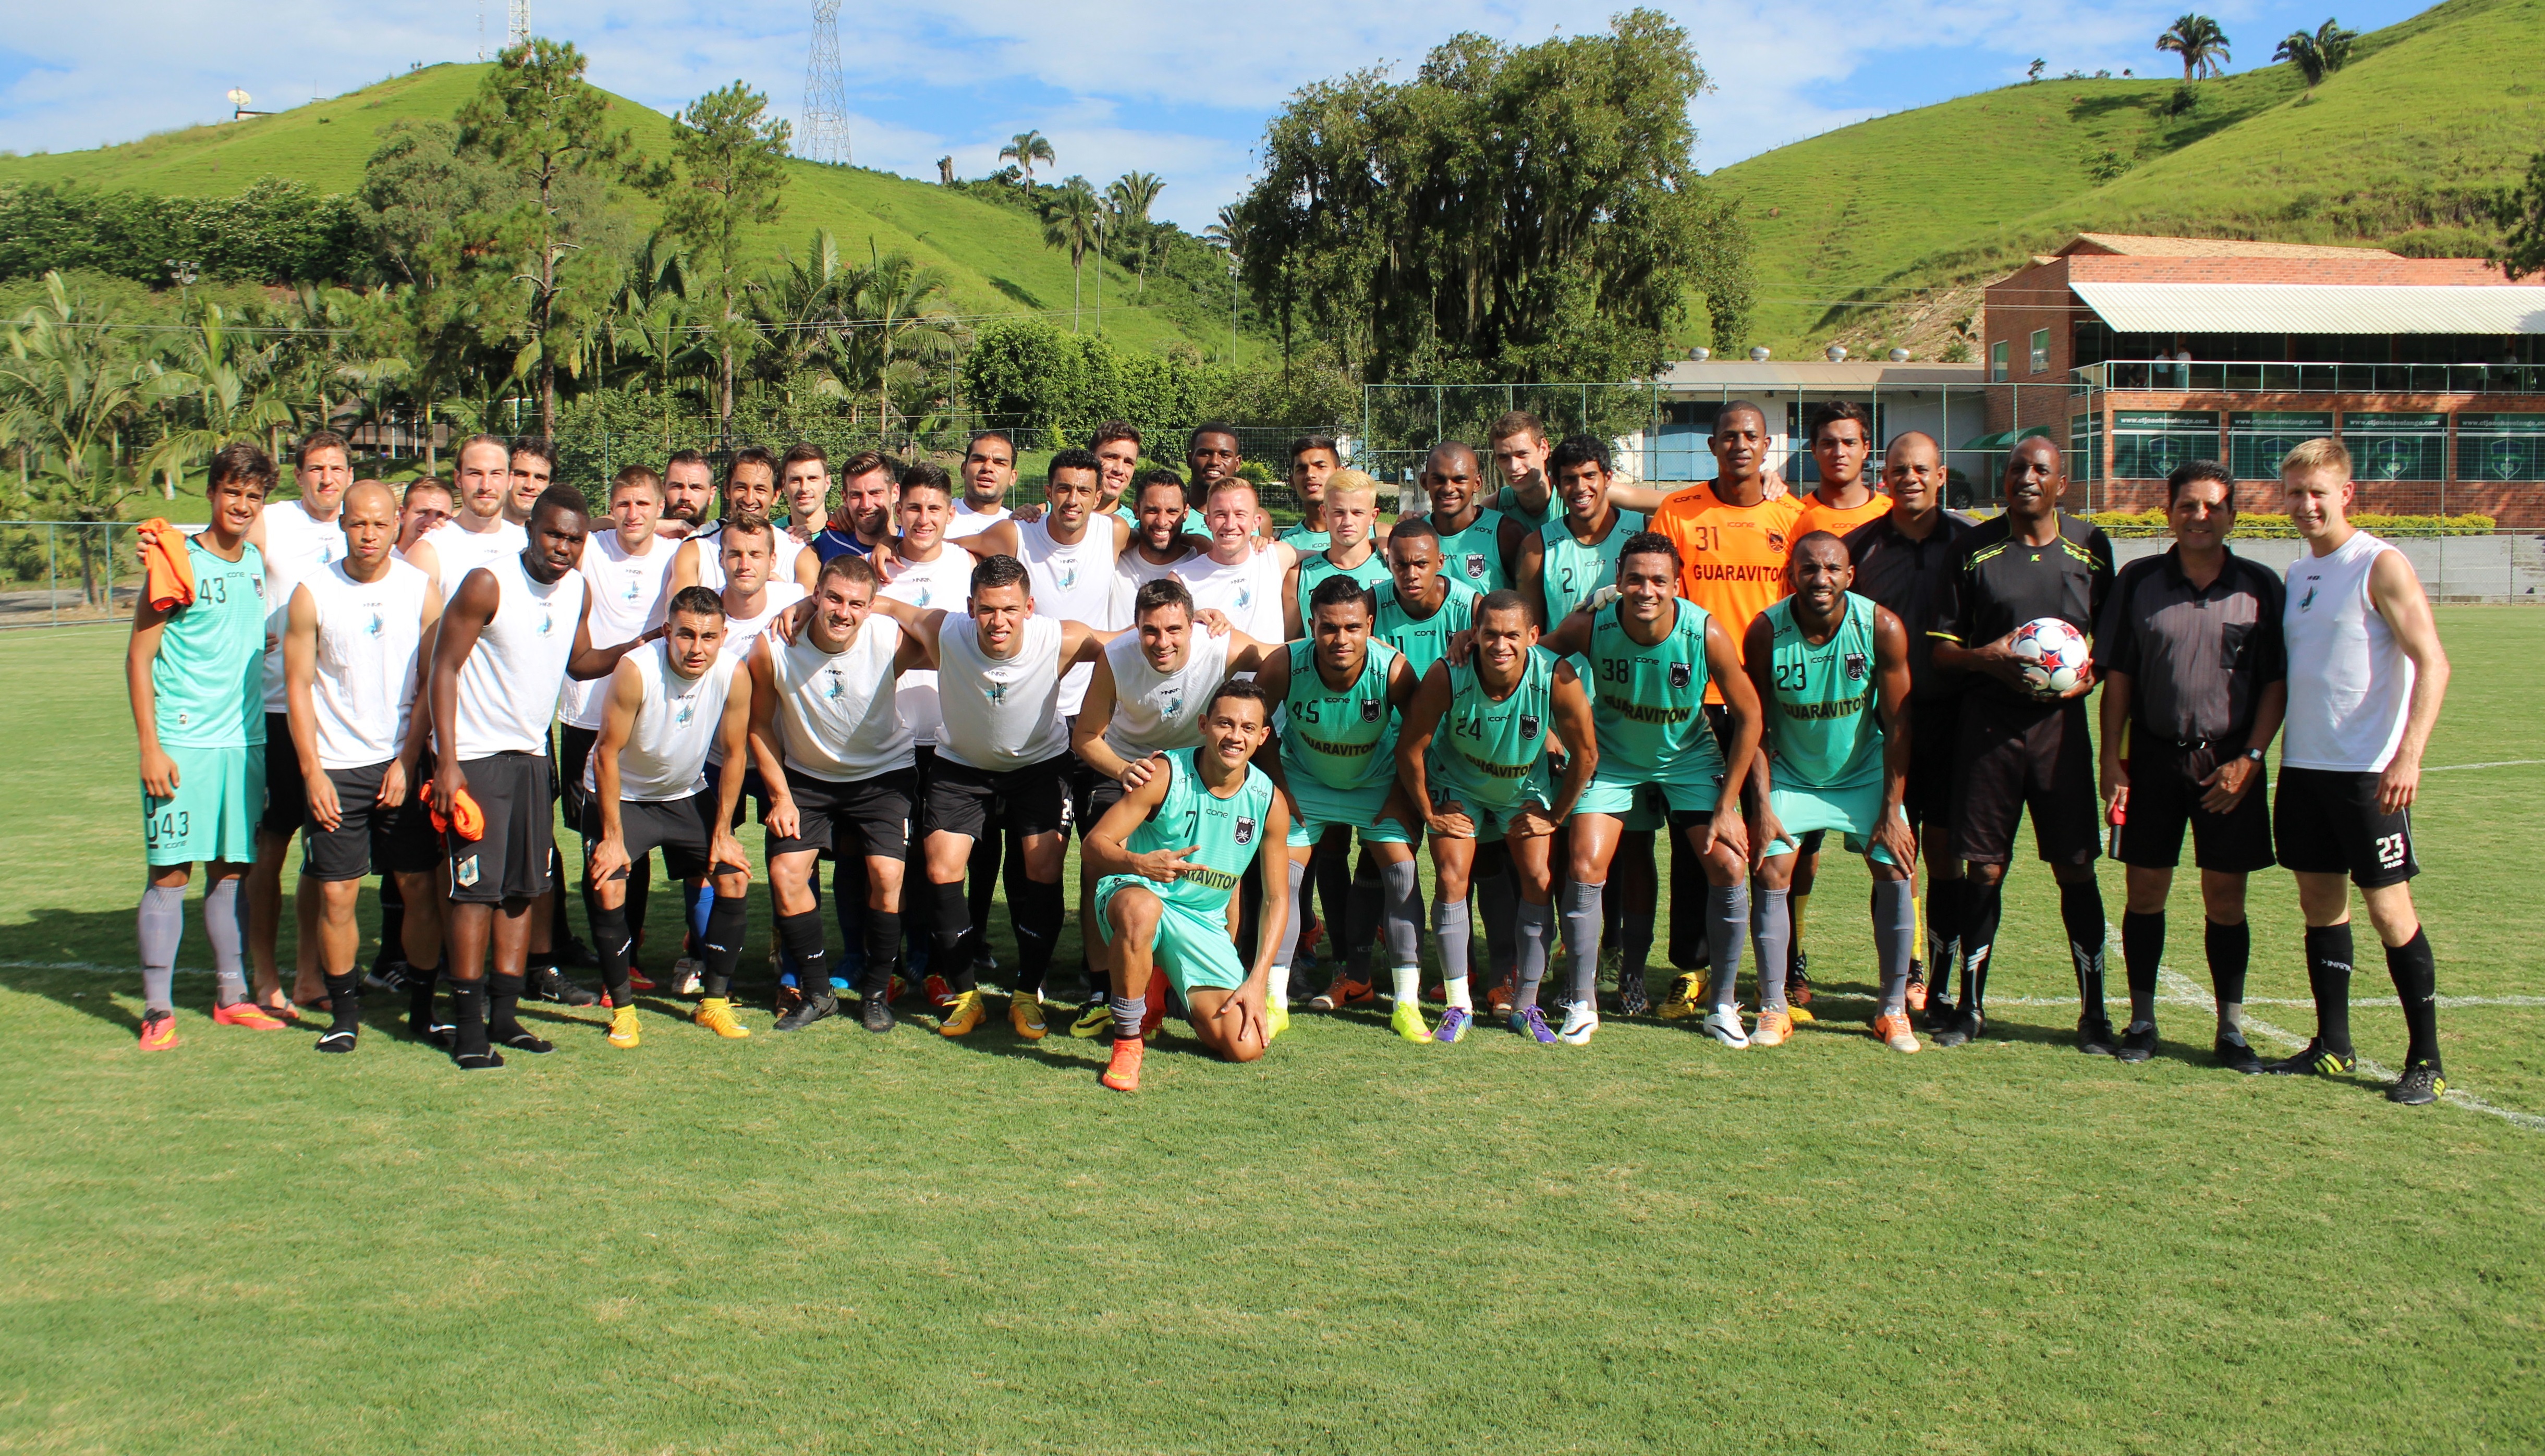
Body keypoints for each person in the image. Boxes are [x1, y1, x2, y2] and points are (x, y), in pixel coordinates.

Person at [427, 485, 657, 1068]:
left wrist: (640, 646)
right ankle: (469, 1025)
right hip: (477, 760)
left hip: (534, 758)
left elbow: (579, 663)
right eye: (553, 534)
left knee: (523, 891)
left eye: (574, 539)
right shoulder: (488, 583)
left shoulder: (577, 588)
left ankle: (505, 1018)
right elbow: (443, 667)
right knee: (476, 895)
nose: (563, 547)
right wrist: (447, 761)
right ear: (530, 530)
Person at [2267, 439, 2453, 1104]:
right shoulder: (2298, 574)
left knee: (2389, 911)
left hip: (2368, 774)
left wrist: (2409, 755)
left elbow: (2433, 662)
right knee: (2320, 906)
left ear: (2346, 493)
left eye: (2318, 492)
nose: (2305, 505)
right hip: (2304, 768)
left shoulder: (2380, 564)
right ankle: (2334, 1046)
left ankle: (2426, 1060)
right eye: (2295, 493)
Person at [869, 554, 1120, 1038]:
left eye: (1009, 609)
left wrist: (1199, 623)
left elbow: (1129, 642)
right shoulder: (946, 630)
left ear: (1029, 607)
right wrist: (803, 607)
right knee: (941, 869)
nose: (997, 621)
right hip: (961, 768)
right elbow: (888, 605)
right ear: (970, 608)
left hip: (1038, 768)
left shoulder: (1060, 638)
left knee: (1043, 868)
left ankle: (1026, 994)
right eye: (986, 609)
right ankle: (967, 996)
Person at [2092, 461, 2286, 1071]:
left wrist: (2251, 759)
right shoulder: (2139, 580)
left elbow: (2276, 683)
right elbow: (2119, 677)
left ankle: (2231, 1030)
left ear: (2232, 516)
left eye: (2213, 506)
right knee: (2145, 891)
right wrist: (2111, 758)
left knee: (2226, 899)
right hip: (2153, 757)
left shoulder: (2260, 585)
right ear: (2169, 511)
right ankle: (2142, 1021)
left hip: (2229, 766)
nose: (2200, 517)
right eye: (2188, 505)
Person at [1535, 533, 1761, 1046]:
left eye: (1659, 580)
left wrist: (1728, 805)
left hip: (1688, 760)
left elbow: (1750, 714)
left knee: (1728, 866)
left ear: (1676, 584)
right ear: (1618, 579)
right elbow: (1532, 660)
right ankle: (1582, 1002)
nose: (1646, 590)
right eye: (1635, 579)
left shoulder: (1705, 631)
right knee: (1584, 865)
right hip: (1612, 759)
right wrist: (1551, 731)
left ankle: (1723, 1005)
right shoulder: (1591, 624)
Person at [1929, 437, 2115, 1051]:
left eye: (2040, 470)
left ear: (2062, 482)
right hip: (1988, 733)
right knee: (1984, 867)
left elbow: (2109, 644)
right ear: (2003, 479)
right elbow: (1942, 651)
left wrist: (2088, 676)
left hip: (2061, 735)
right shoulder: (1972, 548)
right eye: (2016, 469)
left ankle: (2094, 1014)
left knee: (2075, 865)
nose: (2027, 478)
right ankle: (1969, 1007)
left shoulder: (2091, 547)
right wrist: (1987, 659)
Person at [1070, 578, 1275, 1033]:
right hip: (1131, 768)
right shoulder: (1116, 657)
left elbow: (1281, 656)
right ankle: (1101, 988)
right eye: (1150, 630)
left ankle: (1192, 970)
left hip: (1202, 767)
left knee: (1216, 867)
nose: (1162, 642)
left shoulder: (1219, 644)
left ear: (1191, 626)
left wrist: (1371, 644)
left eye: (1173, 630)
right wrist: (1124, 769)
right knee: (1099, 861)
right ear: (1135, 628)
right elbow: (1084, 737)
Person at [129, 445, 283, 1049]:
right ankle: (157, 1008)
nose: (242, 504)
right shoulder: (175, 559)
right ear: (212, 493)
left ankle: (232, 997)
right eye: (232, 491)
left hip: (244, 743)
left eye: (253, 495)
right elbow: (139, 658)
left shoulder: (256, 563)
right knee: (170, 872)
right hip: (182, 743)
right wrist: (151, 747)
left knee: (231, 871)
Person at [281, 480, 443, 1054]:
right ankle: (344, 1016)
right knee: (337, 895)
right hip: (336, 771)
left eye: (379, 523)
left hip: (402, 764)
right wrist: (312, 772)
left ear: (397, 523)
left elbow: (433, 683)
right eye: (357, 523)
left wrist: (407, 759)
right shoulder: (312, 593)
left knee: (419, 888)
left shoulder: (421, 590)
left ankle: (423, 1013)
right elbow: (297, 688)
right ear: (342, 525)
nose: (368, 534)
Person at [1743, 531, 1921, 1053]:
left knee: (1895, 865)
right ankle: (1774, 1007)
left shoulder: (1881, 627)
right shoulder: (1765, 632)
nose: (1820, 579)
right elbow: (1755, 725)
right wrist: (1762, 806)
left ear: (1850, 575)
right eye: (1809, 569)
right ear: (1791, 576)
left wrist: (1891, 810)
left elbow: (1899, 725)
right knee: (1771, 869)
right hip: (1792, 774)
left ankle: (1892, 1010)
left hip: (1862, 772)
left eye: (1831, 569)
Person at [1649, 400, 1803, 1000]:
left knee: (1776, 838)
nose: (1740, 445)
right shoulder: (1679, 511)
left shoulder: (1792, 516)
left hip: (1769, 705)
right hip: (1694, 702)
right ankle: (1692, 969)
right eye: (1729, 436)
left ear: (1767, 447)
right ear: (1712, 446)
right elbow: (1662, 602)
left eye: (1751, 436)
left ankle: (1778, 973)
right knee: (1697, 841)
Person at [973, 450, 1136, 1011]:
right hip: (1035, 716)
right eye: (1063, 488)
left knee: (1101, 846)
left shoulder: (1115, 532)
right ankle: (1031, 970)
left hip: (1096, 719)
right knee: (1034, 850)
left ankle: (1100, 971)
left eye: (1083, 490)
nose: (1072, 500)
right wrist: (883, 546)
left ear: (1100, 495)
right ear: (1047, 491)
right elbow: (950, 546)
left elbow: (1176, 543)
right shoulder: (1015, 534)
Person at [1396, 591, 1596, 1043]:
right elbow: (1410, 747)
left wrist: (1555, 816)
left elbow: (1586, 755)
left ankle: (1526, 1004)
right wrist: (1429, 811)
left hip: (1521, 787)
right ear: (1475, 635)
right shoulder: (1449, 673)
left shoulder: (1557, 676)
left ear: (1533, 636)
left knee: (1538, 878)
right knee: (1451, 876)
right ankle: (1458, 1005)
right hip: (1458, 784)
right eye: (1489, 634)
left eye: (1511, 635)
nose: (1500, 645)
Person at [752, 556, 933, 1034]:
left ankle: (875, 992)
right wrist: (781, 797)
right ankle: (818, 993)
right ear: (815, 595)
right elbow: (758, 726)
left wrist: (888, 606)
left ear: (871, 607)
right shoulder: (774, 645)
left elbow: (951, 640)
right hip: (807, 779)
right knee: (786, 873)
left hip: (883, 776)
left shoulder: (888, 638)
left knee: (887, 875)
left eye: (857, 603)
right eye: (833, 598)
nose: (843, 612)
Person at [1082, 681, 1293, 1092]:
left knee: (1245, 1045)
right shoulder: (1164, 774)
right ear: (1203, 724)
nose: (1235, 736)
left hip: (1201, 920)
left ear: (1263, 736)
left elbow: (1276, 898)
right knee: (1142, 910)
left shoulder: (1269, 801)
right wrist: (1140, 863)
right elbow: (1094, 845)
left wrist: (1257, 981)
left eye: (1248, 728)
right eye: (1225, 723)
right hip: (1136, 892)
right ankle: (1128, 1040)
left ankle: (1161, 990)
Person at [1251, 574, 1430, 1042]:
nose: (1340, 638)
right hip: (1305, 781)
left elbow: (1418, 734)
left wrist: (1399, 795)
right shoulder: (1284, 663)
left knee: (1401, 873)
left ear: (1369, 625)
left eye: (1352, 627)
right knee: (1283, 879)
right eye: (1328, 627)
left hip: (1374, 782)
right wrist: (1282, 790)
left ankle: (1407, 1004)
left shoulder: (1393, 670)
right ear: (1311, 625)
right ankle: (1273, 1000)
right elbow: (1256, 726)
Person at [1516, 435, 1656, 1013]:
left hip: (1630, 720)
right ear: (1556, 481)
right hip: (1563, 718)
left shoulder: (1642, 536)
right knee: (1564, 849)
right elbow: (1529, 641)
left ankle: (1631, 968)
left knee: (1636, 848)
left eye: (1590, 476)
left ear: (1608, 478)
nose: (1580, 488)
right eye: (1569, 478)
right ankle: (1567, 966)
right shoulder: (1538, 545)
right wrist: (1545, 724)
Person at [582, 585, 756, 1047]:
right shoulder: (636, 669)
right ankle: (622, 1011)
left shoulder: (733, 673)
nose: (697, 648)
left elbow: (735, 754)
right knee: (609, 882)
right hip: (622, 793)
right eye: (685, 635)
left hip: (683, 792)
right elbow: (606, 753)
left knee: (733, 876)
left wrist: (723, 832)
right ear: (666, 631)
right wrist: (613, 837)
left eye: (708, 637)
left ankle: (713, 1003)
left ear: (723, 637)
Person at [1842, 432, 1975, 1020]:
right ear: (1885, 477)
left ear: (1940, 475)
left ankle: (1942, 982)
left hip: (1955, 722)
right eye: (1899, 470)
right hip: (1881, 727)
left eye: (1922, 469)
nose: (1910, 479)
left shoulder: (1972, 542)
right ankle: (1901, 978)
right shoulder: (1860, 548)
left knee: (1945, 856)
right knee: (1890, 854)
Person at [1776, 400, 1894, 999]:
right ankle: (1793, 961)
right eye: (1827, 442)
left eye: (1849, 442)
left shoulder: (1891, 512)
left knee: (1894, 844)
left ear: (1866, 448)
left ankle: (1907, 969)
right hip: (1812, 698)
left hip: (1877, 698)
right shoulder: (1799, 516)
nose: (1839, 452)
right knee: (1803, 852)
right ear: (1814, 450)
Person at [244, 429, 351, 1017]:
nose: (326, 478)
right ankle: (264, 974)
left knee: (322, 849)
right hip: (275, 709)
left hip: (335, 719)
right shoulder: (274, 521)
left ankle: (310, 974)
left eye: (336, 468)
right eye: (315, 468)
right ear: (298, 475)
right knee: (271, 844)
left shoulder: (361, 525)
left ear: (349, 476)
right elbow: (217, 556)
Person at [557, 466, 678, 962]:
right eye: (623, 503)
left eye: (643, 504)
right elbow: (563, 524)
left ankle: (632, 945)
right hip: (584, 715)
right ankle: (609, 949)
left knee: (635, 839)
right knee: (595, 837)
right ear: (610, 506)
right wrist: (604, 521)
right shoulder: (589, 547)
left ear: (660, 508)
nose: (633, 514)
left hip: (644, 719)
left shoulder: (675, 555)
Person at [671, 446, 819, 594]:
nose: (749, 499)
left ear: (776, 495)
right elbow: (679, 607)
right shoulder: (696, 549)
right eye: (741, 488)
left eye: (760, 489)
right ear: (727, 490)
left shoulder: (799, 554)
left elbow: (811, 605)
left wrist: (782, 594)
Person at [404, 435, 527, 609]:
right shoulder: (429, 551)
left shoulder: (528, 543)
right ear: (458, 478)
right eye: (475, 473)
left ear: (510, 480)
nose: (486, 486)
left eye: (496, 474)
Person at [1176, 479, 1290, 646]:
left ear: (1256, 522)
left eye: (1240, 514)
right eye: (1221, 514)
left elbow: (1330, 553)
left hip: (1272, 664)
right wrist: (1189, 620)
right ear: (1209, 522)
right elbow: (1155, 627)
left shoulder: (1275, 556)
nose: (1230, 525)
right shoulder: (1181, 579)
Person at [1283, 469, 1394, 637]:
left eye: (1357, 513)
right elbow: (1288, 644)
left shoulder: (1392, 568)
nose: (1348, 522)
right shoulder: (1298, 575)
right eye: (1339, 512)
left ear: (1373, 516)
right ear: (1324, 513)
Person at [1412, 442, 1523, 595]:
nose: (1449, 489)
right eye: (1439, 479)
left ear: (1477, 483)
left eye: (1459, 480)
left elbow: (1528, 601)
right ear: (1424, 482)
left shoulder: (1506, 534)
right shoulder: (1414, 536)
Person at [814, 450, 897, 562]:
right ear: (845, 498)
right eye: (856, 495)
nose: (866, 505)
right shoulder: (825, 546)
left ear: (895, 493)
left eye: (875, 493)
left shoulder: (915, 546)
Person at [1487, 411, 1560, 529]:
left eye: (1522, 454)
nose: (1514, 466)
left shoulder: (1571, 498)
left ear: (1543, 450)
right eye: (1504, 457)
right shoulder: (1492, 508)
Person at [948, 430, 1019, 540]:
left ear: (1012, 477)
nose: (988, 467)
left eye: (999, 463)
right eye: (979, 460)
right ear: (964, 470)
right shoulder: (935, 517)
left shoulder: (1019, 528)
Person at [1278, 436, 1343, 550]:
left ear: (1340, 474)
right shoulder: (1282, 544)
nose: (1310, 475)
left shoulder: (1373, 535)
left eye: (1320, 467)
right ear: (1292, 482)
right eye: (1302, 469)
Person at [778, 443, 832, 550]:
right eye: (796, 480)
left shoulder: (847, 529)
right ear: (784, 486)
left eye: (812, 478)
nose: (804, 488)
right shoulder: (774, 537)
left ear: (827, 483)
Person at [659, 449, 716, 543]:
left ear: (712, 495)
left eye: (696, 488)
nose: (685, 497)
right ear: (662, 490)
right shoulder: (644, 544)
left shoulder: (721, 544)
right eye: (677, 487)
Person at [1090, 421, 1144, 520]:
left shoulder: (1135, 526)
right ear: (1091, 457)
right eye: (1111, 457)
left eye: (1128, 462)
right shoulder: (1061, 513)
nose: (1119, 470)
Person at [505, 435, 557, 526]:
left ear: (550, 486)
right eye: (522, 475)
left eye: (540, 478)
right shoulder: (481, 530)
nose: (530, 486)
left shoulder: (561, 532)